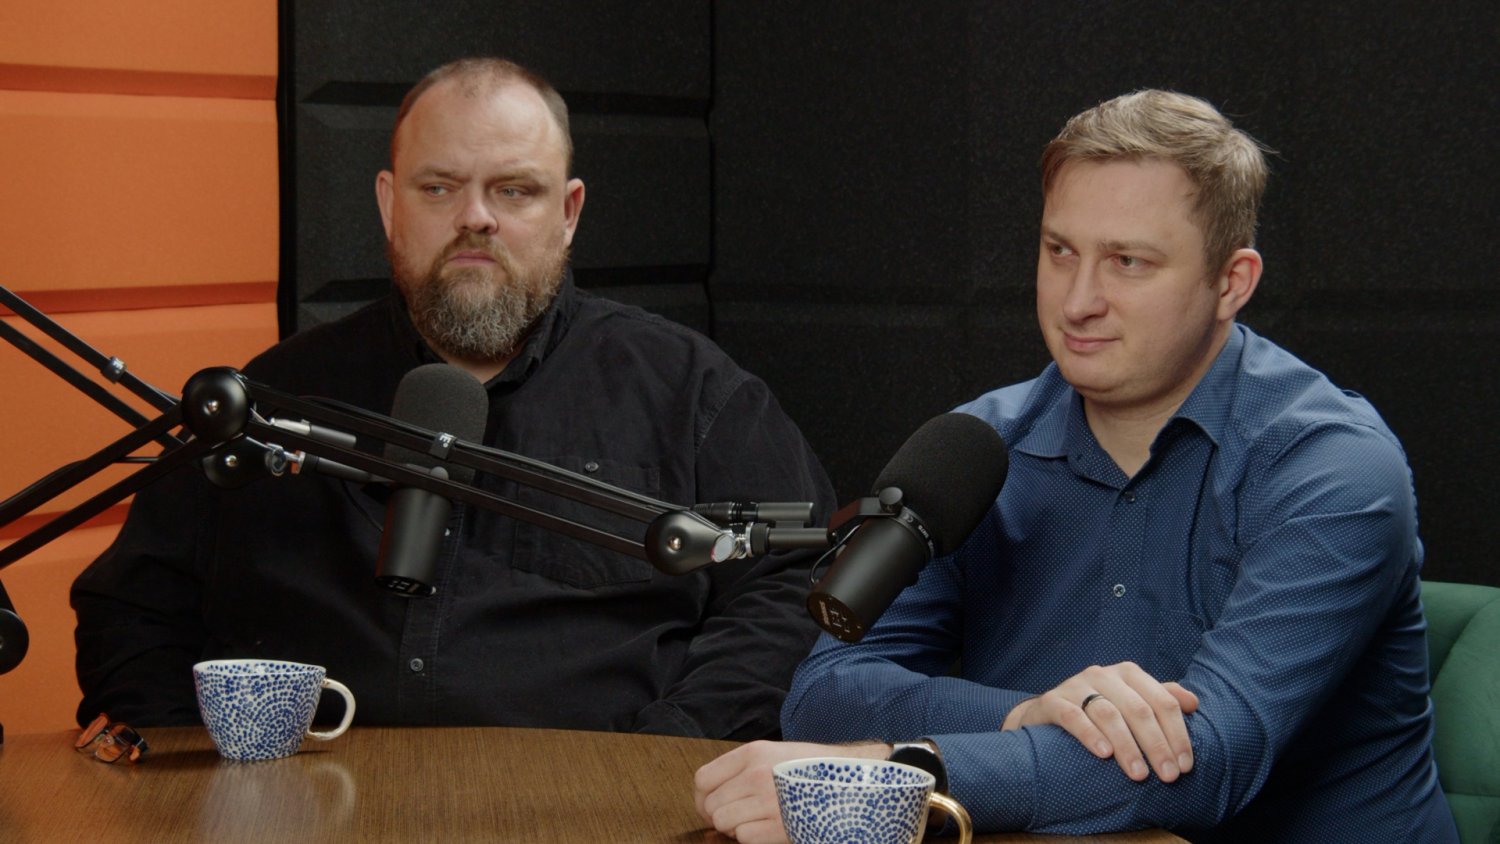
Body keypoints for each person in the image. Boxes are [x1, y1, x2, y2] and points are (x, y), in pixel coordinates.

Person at [695, 90, 1458, 841]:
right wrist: (1022, 714)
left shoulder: (1334, 467)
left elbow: (1208, 760)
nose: (1078, 301)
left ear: (1232, 282)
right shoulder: (973, 450)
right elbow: (826, 691)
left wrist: (901, 771)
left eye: (1128, 261)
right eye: (1060, 251)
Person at [71, 57, 835, 741]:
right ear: (388, 203)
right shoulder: (274, 399)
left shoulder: (691, 394)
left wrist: (665, 757)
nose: (475, 217)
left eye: (514, 190)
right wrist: (192, 773)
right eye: (438, 187)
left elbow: (788, 584)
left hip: (594, 805)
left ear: (568, 213)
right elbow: (132, 607)